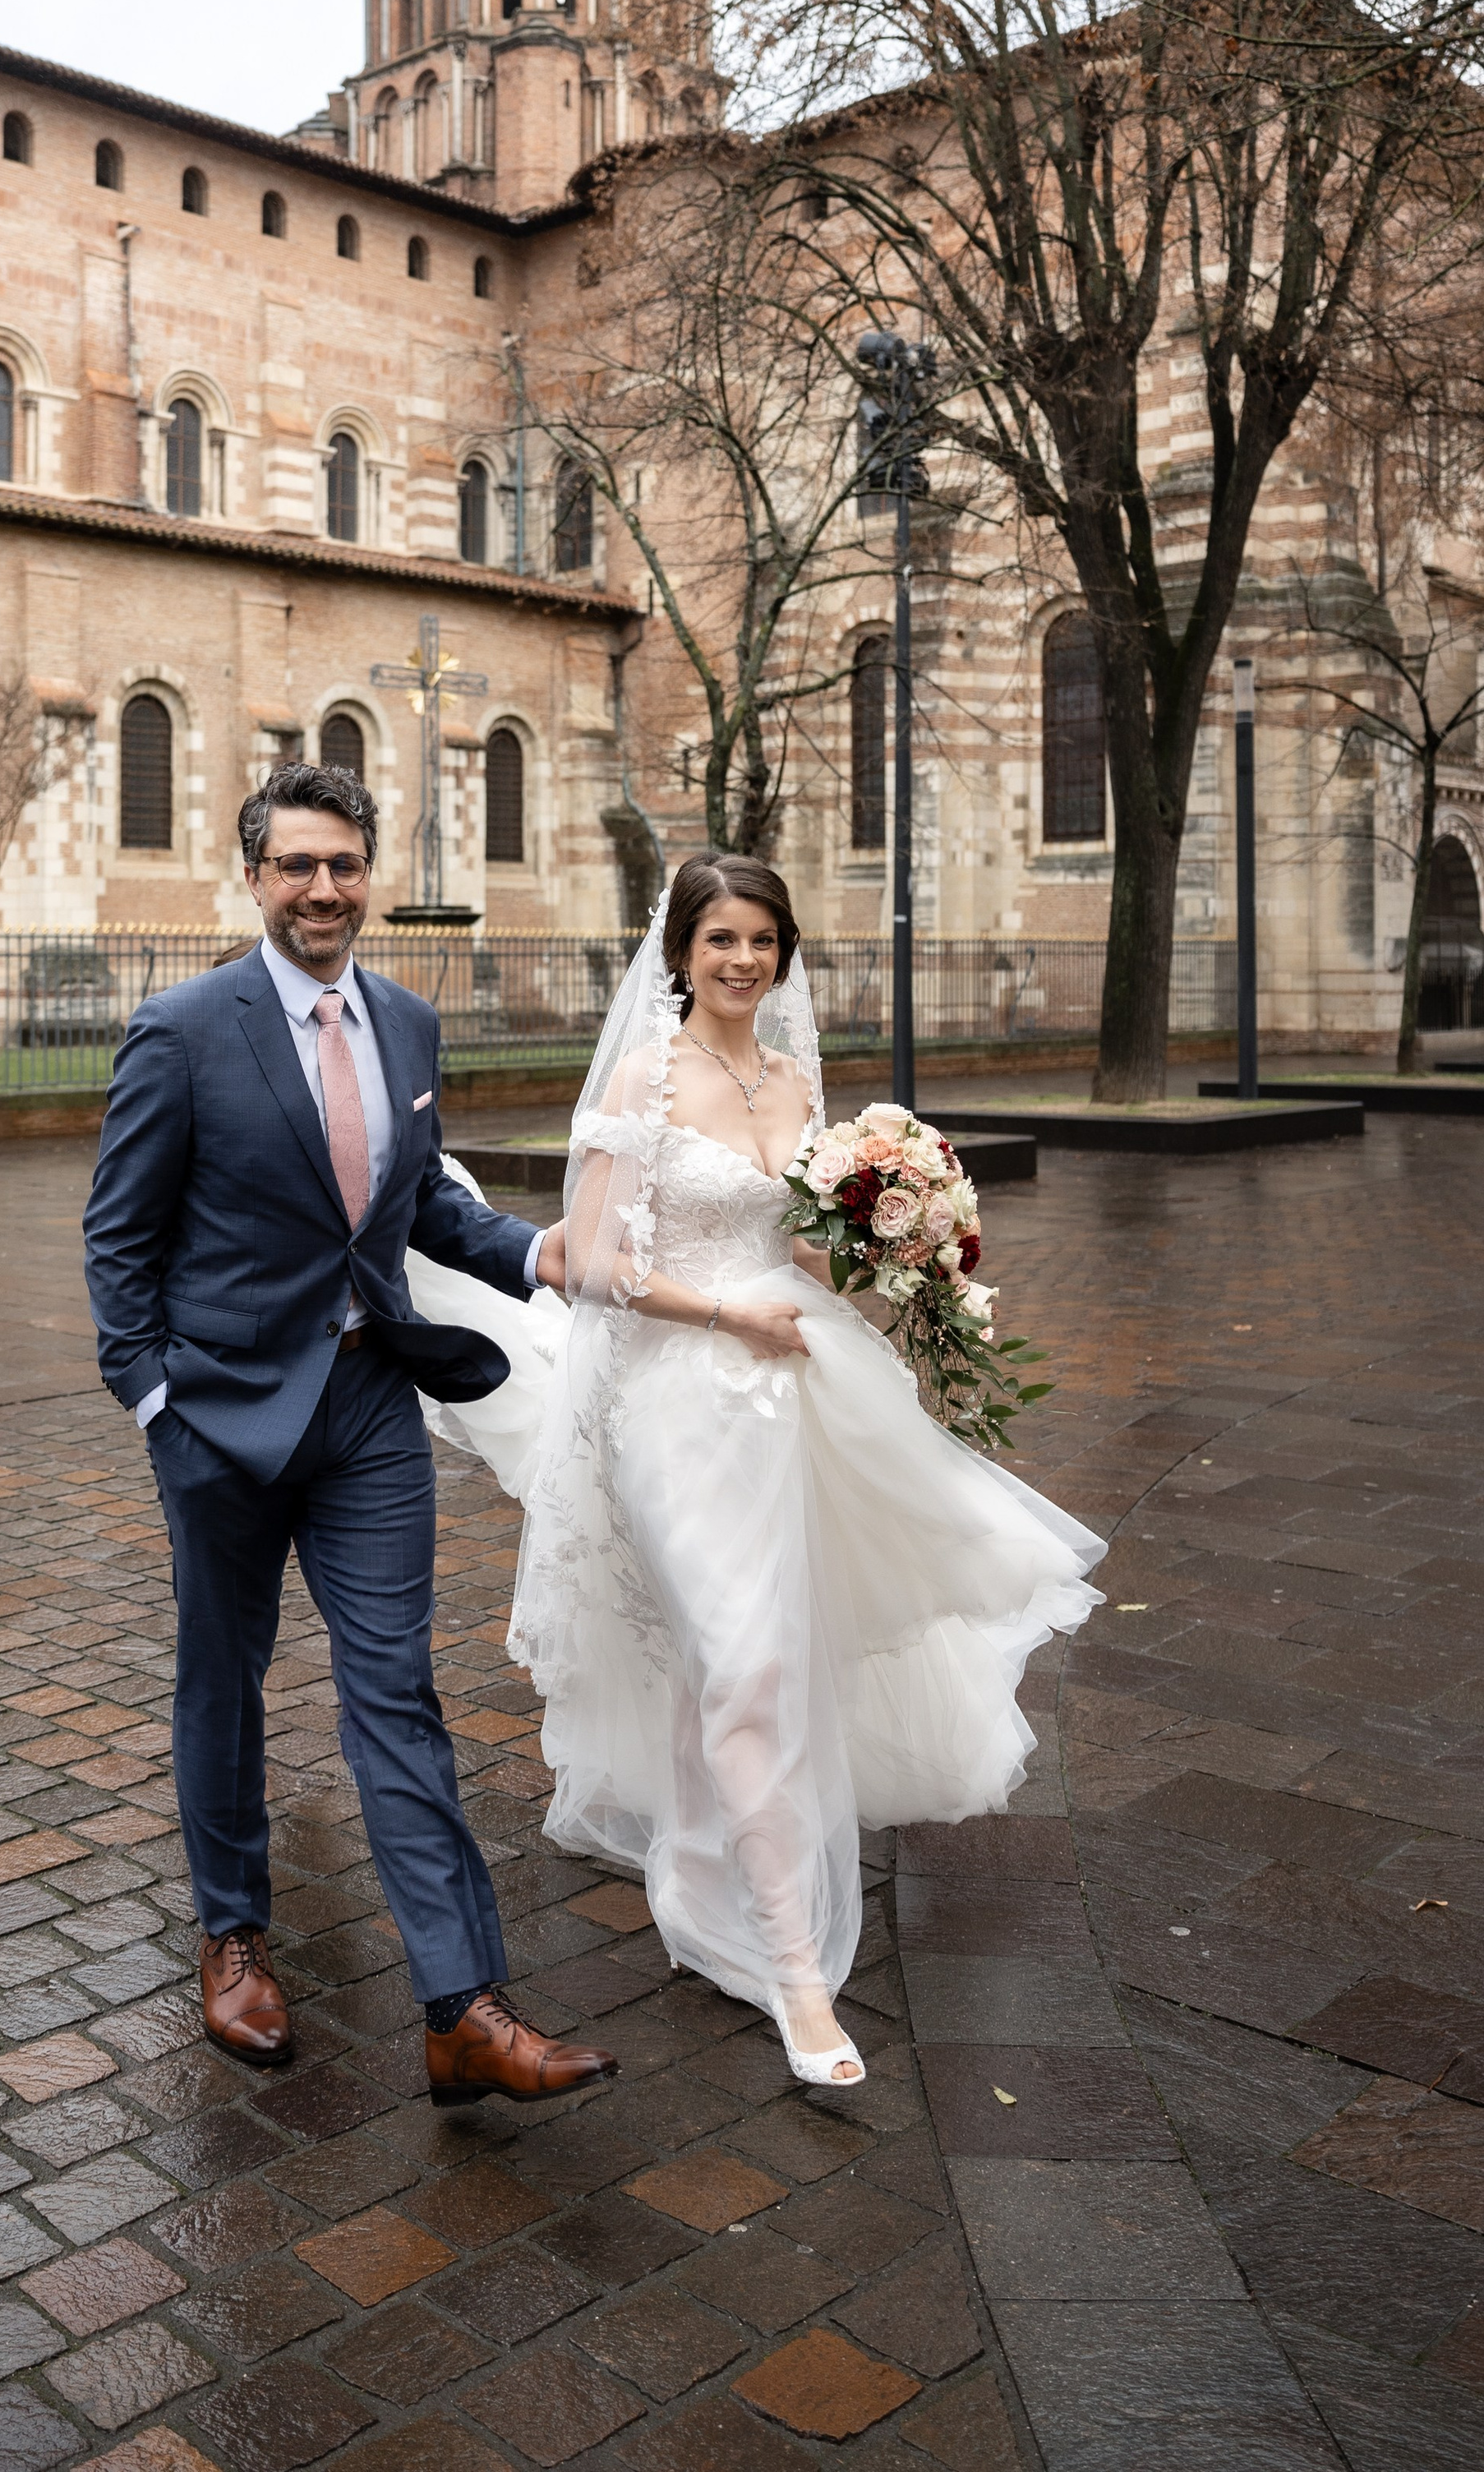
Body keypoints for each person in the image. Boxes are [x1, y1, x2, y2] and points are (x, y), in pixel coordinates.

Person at [408, 855, 1105, 2087]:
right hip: (674, 1402)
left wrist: (910, 1255)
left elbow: (806, 1244)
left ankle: (698, 1874)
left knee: (743, 1650)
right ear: (680, 953)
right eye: (721, 938)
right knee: (742, 1654)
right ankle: (796, 1974)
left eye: (764, 939)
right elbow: (601, 1265)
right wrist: (730, 1320)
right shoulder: (643, 1079)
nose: (744, 960)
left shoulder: (796, 1081)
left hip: (796, 1390)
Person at [83, 759, 617, 2108]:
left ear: (370, 876)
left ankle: (462, 2008)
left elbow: (422, 1211)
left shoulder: (409, 1024)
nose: (325, 889)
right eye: (298, 867)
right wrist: (158, 1401)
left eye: (346, 866)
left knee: (397, 1698)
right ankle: (233, 1935)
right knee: (228, 1679)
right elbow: (119, 1238)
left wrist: (541, 1249)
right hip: (221, 1420)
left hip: (372, 1403)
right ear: (257, 877)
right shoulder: (183, 1029)